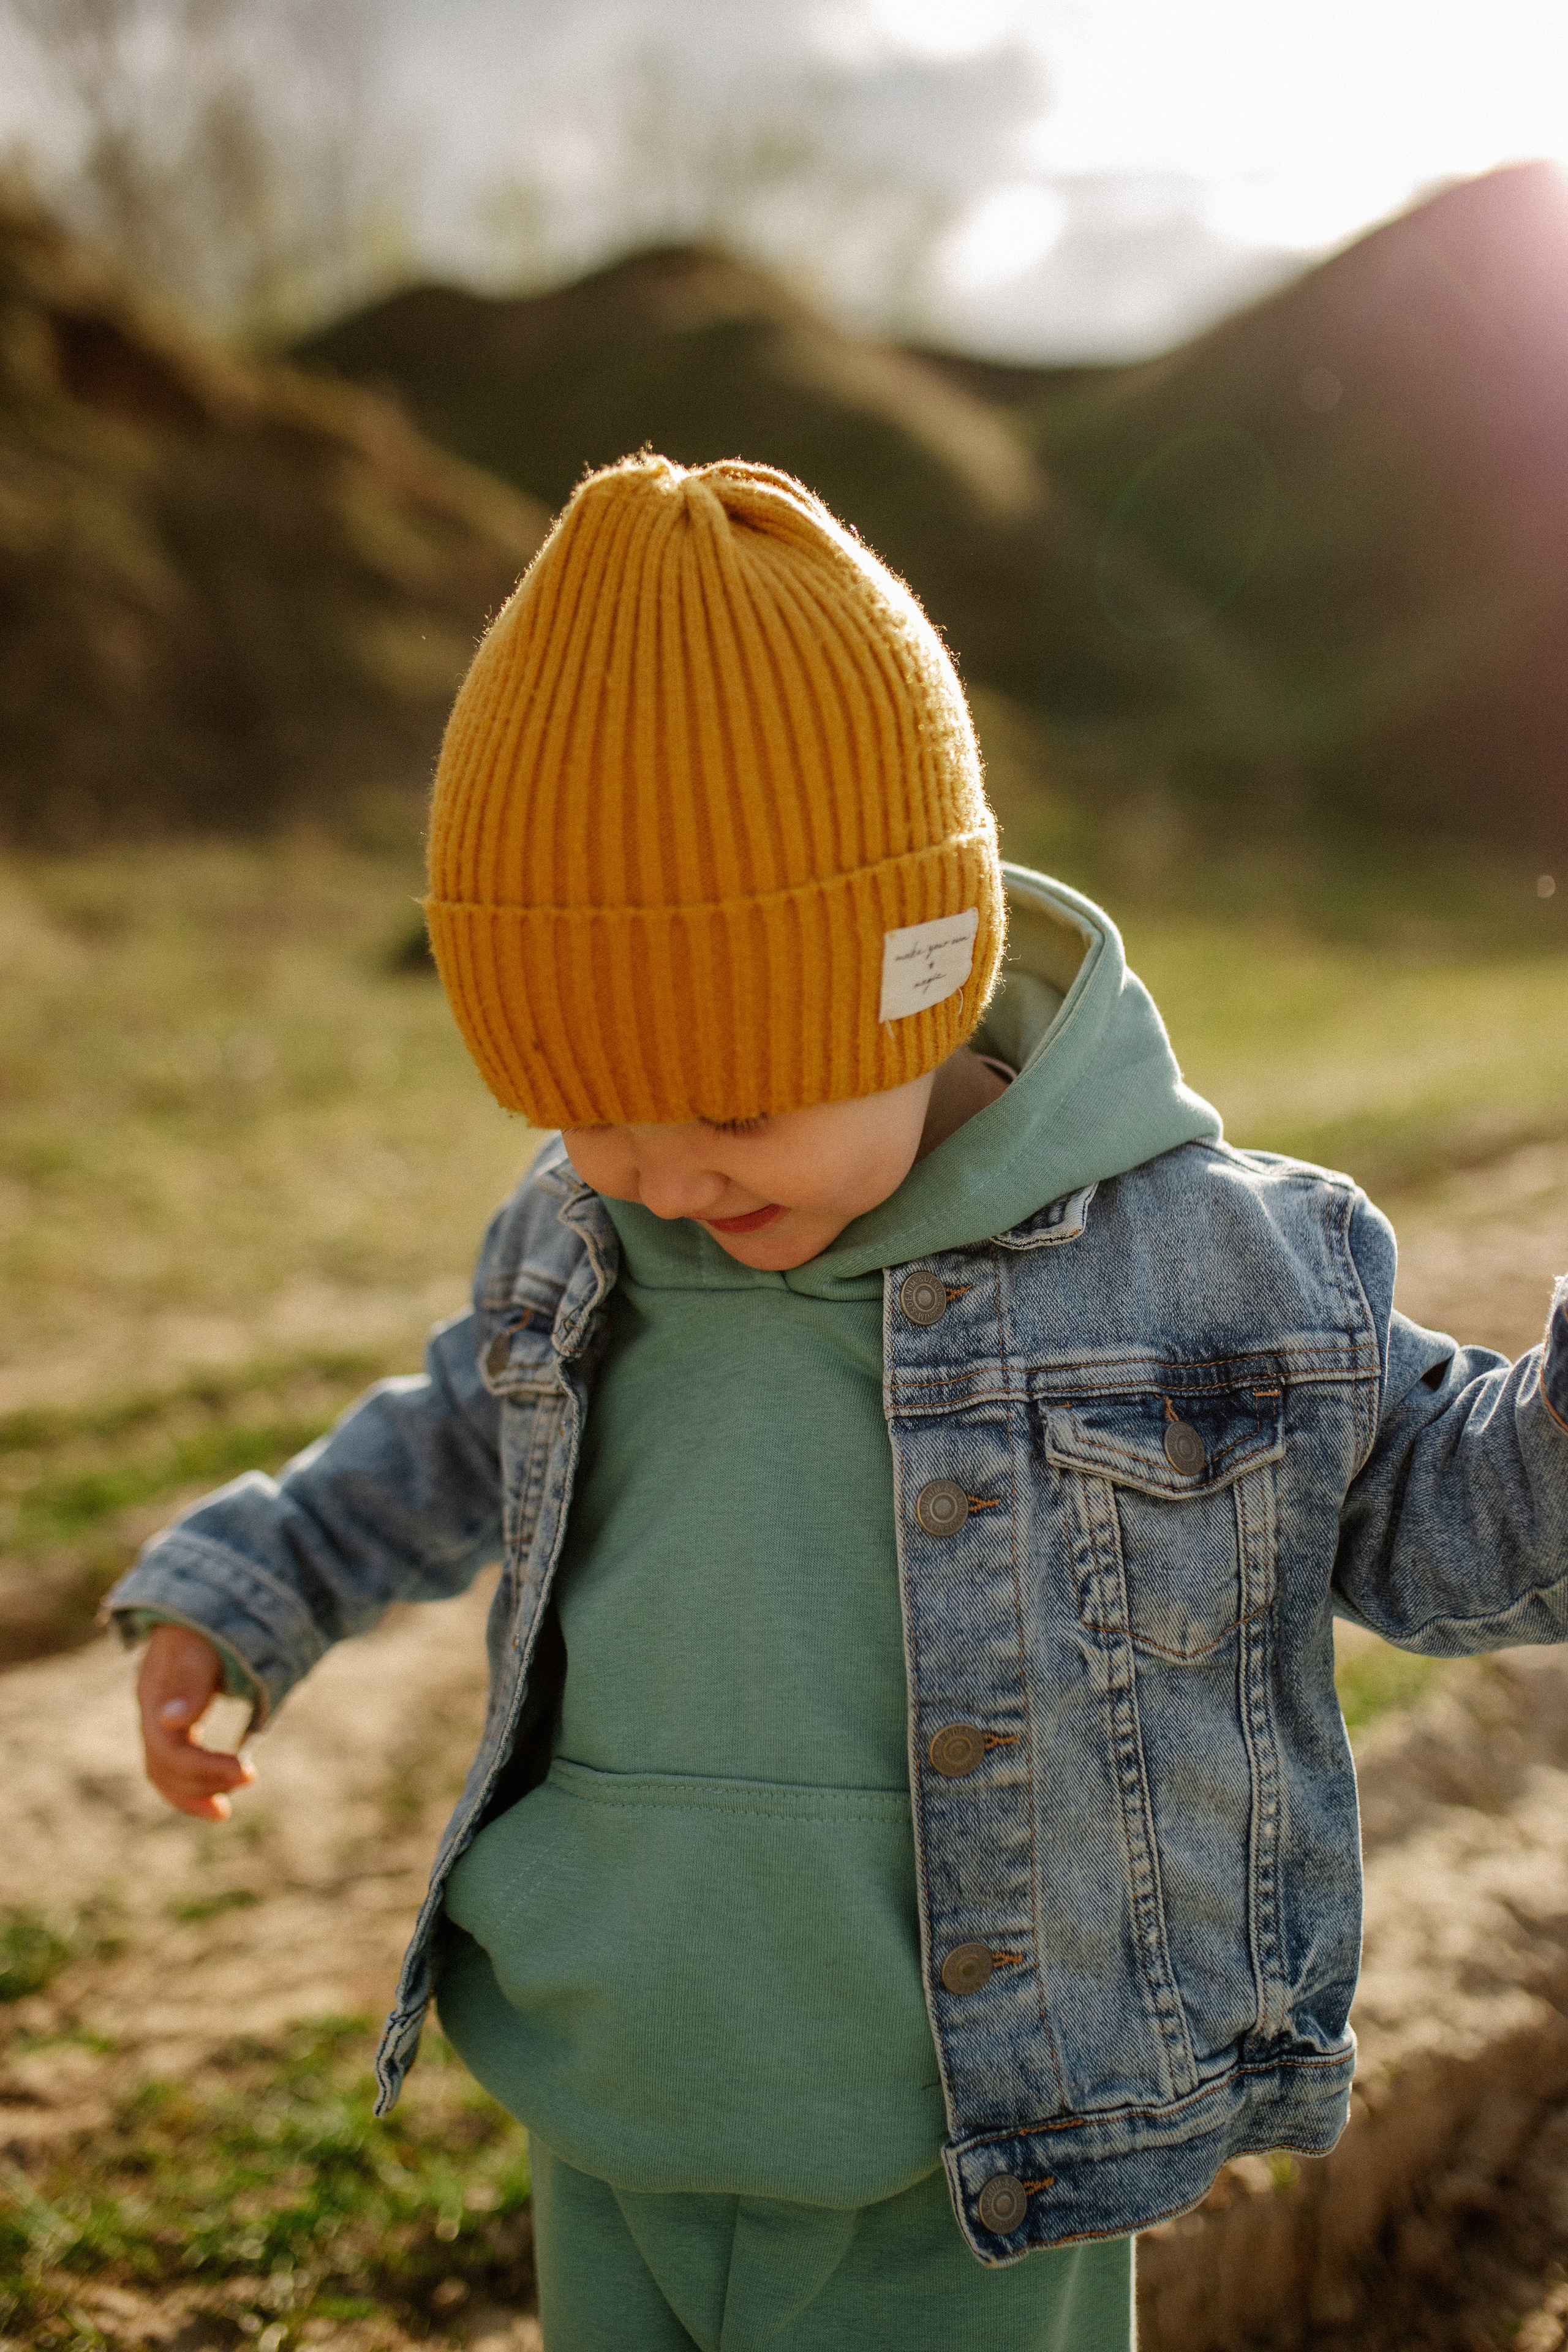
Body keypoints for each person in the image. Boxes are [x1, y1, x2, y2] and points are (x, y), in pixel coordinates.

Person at [113, 454, 1568, 2352]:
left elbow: (1468, 1520)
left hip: (962, 2165)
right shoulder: (594, 1239)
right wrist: (258, 1578)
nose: (660, 1171)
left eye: (734, 1107)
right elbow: (454, 1428)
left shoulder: (1201, 1272)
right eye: (592, 1107)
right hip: (615, 2107)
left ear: (925, 980)